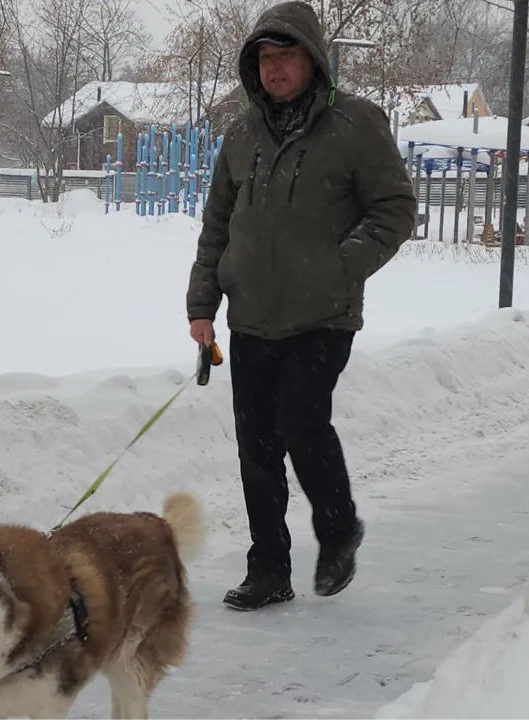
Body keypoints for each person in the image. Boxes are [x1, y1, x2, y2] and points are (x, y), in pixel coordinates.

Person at [184, 0, 417, 611]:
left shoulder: (357, 125)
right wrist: (201, 303)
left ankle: (338, 530)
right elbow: (216, 227)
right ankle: (269, 567)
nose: (274, 68)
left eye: (285, 55)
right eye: (263, 57)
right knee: (256, 445)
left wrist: (342, 266)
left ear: (313, 59)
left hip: (322, 315)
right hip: (251, 316)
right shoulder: (240, 135)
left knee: (299, 421)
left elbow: (394, 209)